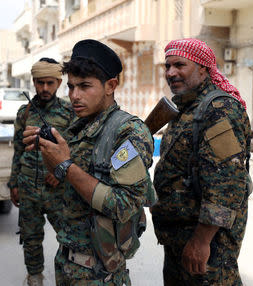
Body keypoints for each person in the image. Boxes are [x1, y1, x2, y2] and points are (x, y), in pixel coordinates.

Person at [23, 39, 156, 285]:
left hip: (99, 271)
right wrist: (47, 151)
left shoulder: (128, 132)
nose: (74, 96)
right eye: (71, 87)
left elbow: (124, 205)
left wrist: (65, 165)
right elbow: (70, 189)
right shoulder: (78, 128)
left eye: (84, 86)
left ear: (111, 85)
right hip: (67, 260)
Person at [150, 38, 253, 285]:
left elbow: (227, 185)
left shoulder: (218, 110)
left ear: (203, 69)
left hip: (207, 244)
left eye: (179, 65)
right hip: (178, 238)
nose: (171, 72)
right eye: (167, 66)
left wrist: (201, 241)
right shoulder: (185, 108)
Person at [7, 57, 74, 286]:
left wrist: (60, 172)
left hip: (58, 190)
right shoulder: (24, 113)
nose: (44, 88)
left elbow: (79, 148)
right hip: (28, 188)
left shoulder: (69, 111)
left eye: (50, 83)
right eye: (40, 83)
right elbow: (18, 149)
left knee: (69, 238)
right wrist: (13, 183)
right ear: (33, 82)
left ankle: (68, 278)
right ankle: (34, 277)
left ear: (58, 82)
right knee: (31, 238)